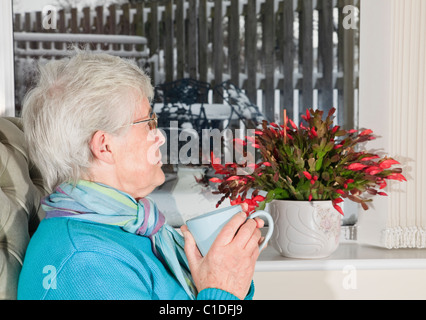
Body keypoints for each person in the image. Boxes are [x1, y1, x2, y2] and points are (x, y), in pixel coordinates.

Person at [17, 51, 264, 300]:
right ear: (104, 146)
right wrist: (222, 290)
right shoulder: (86, 263)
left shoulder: (133, 227)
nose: (160, 137)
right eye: (148, 123)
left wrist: (224, 273)